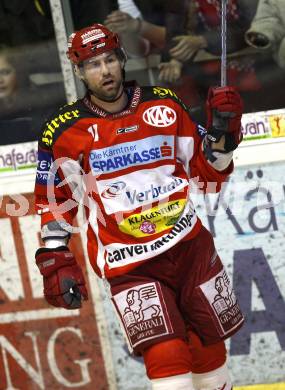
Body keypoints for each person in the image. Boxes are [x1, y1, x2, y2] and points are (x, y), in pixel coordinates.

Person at [34, 23, 244, 390]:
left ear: (122, 59)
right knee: (167, 357)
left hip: (190, 247)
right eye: (94, 64)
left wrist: (224, 138)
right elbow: (56, 202)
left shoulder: (163, 103)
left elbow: (208, 175)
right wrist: (56, 258)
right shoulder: (63, 130)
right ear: (79, 71)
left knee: (208, 352)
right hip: (128, 263)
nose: (105, 71)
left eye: (110, 60)